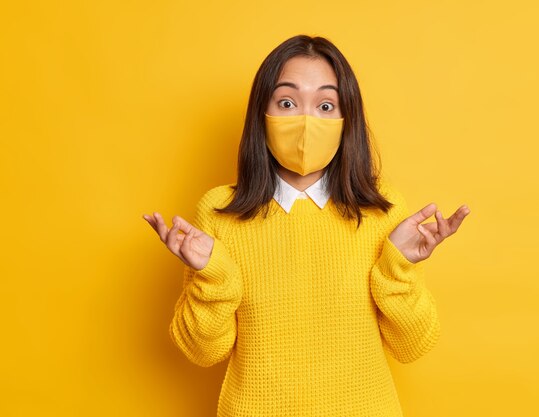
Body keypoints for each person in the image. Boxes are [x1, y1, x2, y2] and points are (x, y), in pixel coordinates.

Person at [143, 34, 470, 417]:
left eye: (326, 105)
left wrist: (396, 269)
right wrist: (212, 279)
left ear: (346, 120)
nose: (306, 121)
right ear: (260, 115)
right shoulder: (219, 211)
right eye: (287, 102)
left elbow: (412, 346)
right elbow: (202, 352)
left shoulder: (384, 208)